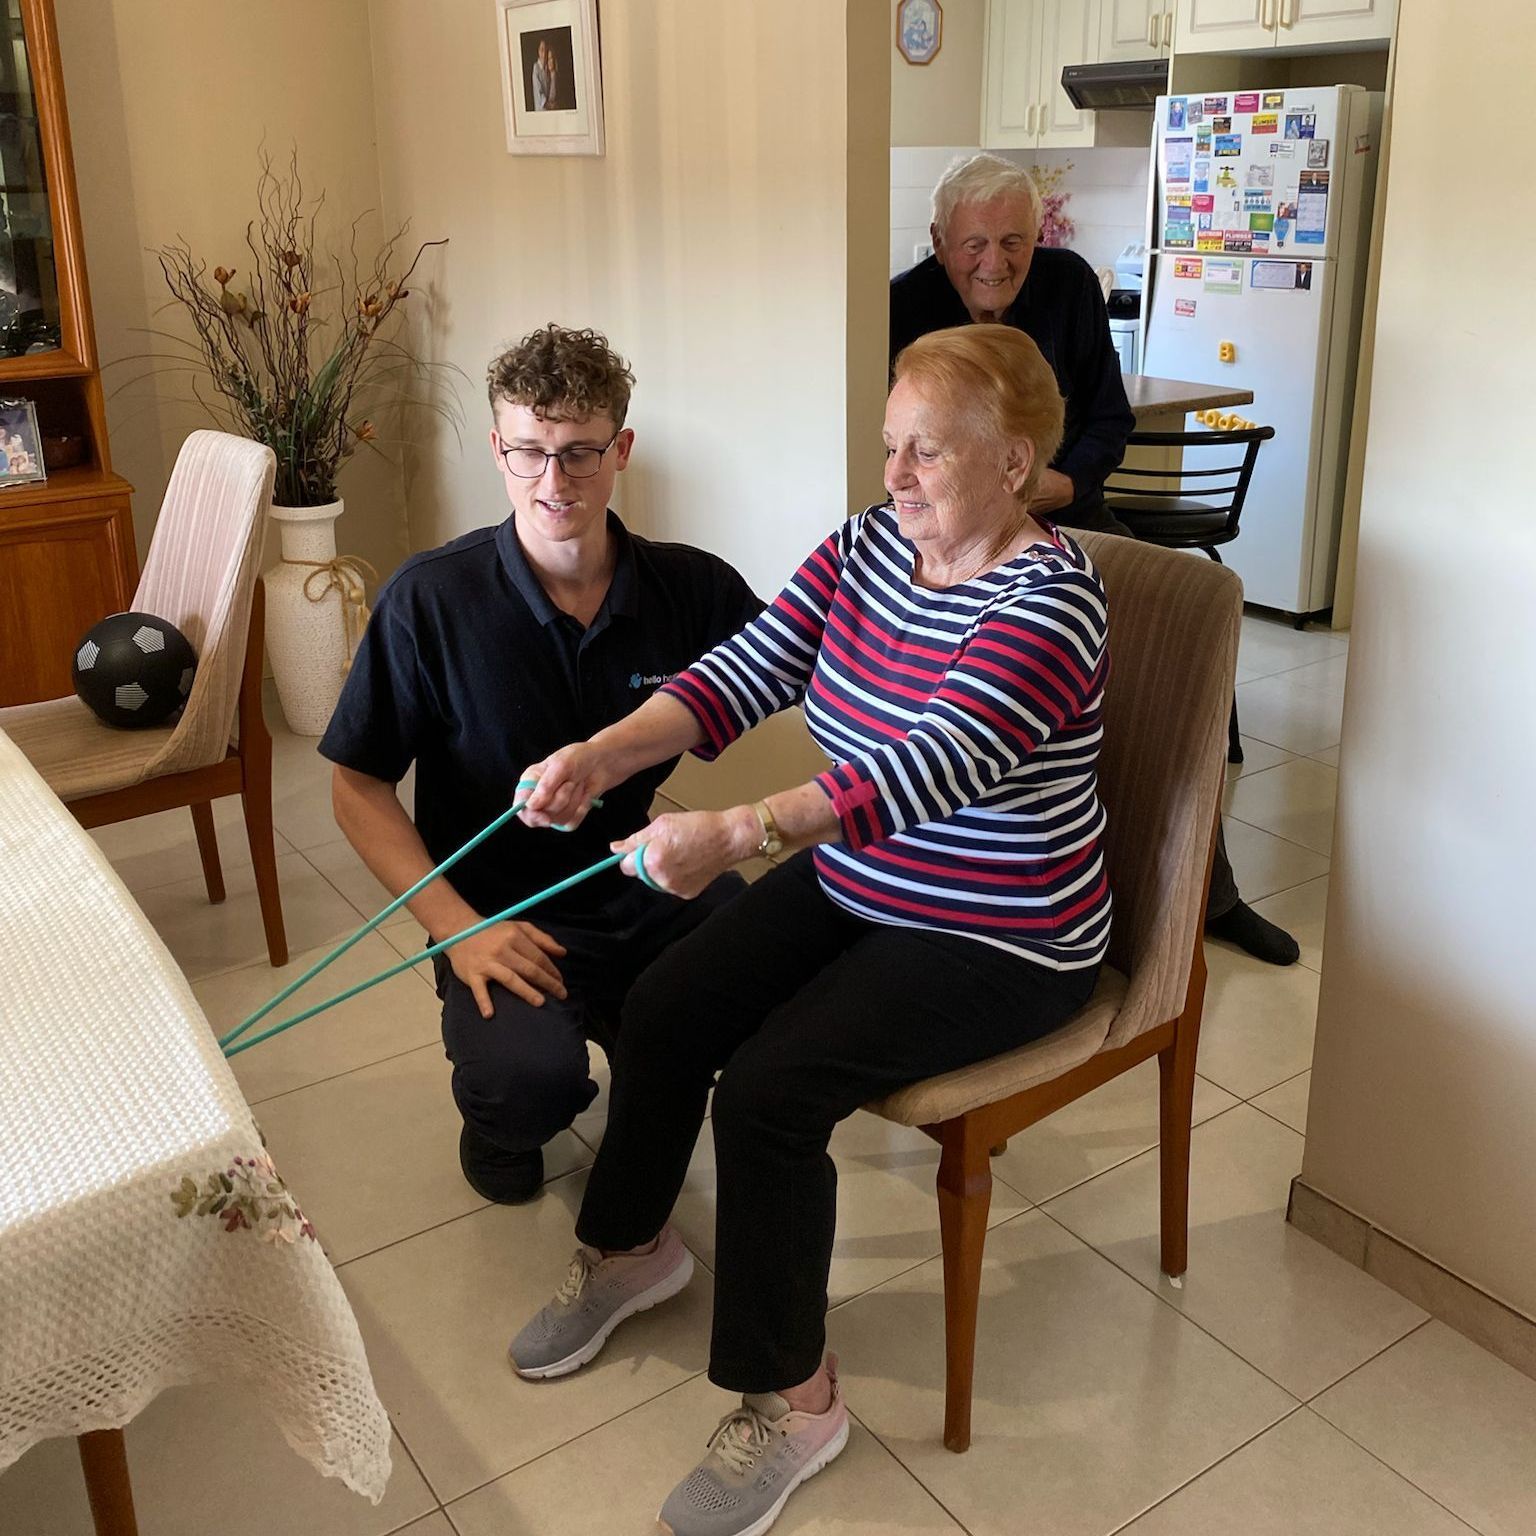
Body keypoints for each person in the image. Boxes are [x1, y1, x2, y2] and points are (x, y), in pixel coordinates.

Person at [508, 326, 1110, 1535]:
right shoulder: (873, 546)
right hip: (870, 879)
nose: (893, 476)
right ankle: (633, 1248)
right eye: (889, 446)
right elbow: (748, 666)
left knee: (772, 1091)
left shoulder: (1054, 604)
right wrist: (602, 753)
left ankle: (799, 1403)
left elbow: (923, 768)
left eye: (925, 454)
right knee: (674, 1001)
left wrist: (733, 834)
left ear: (1013, 461)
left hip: (1002, 930)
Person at [319, 325, 760, 1204]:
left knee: (758, 981)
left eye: (579, 453)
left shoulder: (693, 587)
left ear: (621, 449)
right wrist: (457, 928)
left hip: (639, 880)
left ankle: (639, 1047)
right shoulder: (429, 598)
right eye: (528, 453)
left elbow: (802, 672)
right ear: (497, 449)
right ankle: (510, 1115)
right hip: (496, 907)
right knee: (526, 1091)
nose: (552, 482)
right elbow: (355, 785)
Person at [892, 151, 1299, 966]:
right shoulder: (900, 307)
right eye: (973, 245)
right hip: (960, 539)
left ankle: (1211, 895)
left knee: (1182, 675)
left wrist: (1059, 479)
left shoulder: (1070, 284)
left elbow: (1108, 417)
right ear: (939, 242)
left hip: (1069, 511)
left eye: (1013, 242)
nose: (994, 263)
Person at [530, 38, 552, 110]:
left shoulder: (547, 67)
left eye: (546, 50)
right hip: (541, 109)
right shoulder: (536, 68)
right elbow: (538, 92)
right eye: (542, 50)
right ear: (538, 51)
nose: (544, 53)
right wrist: (549, 105)